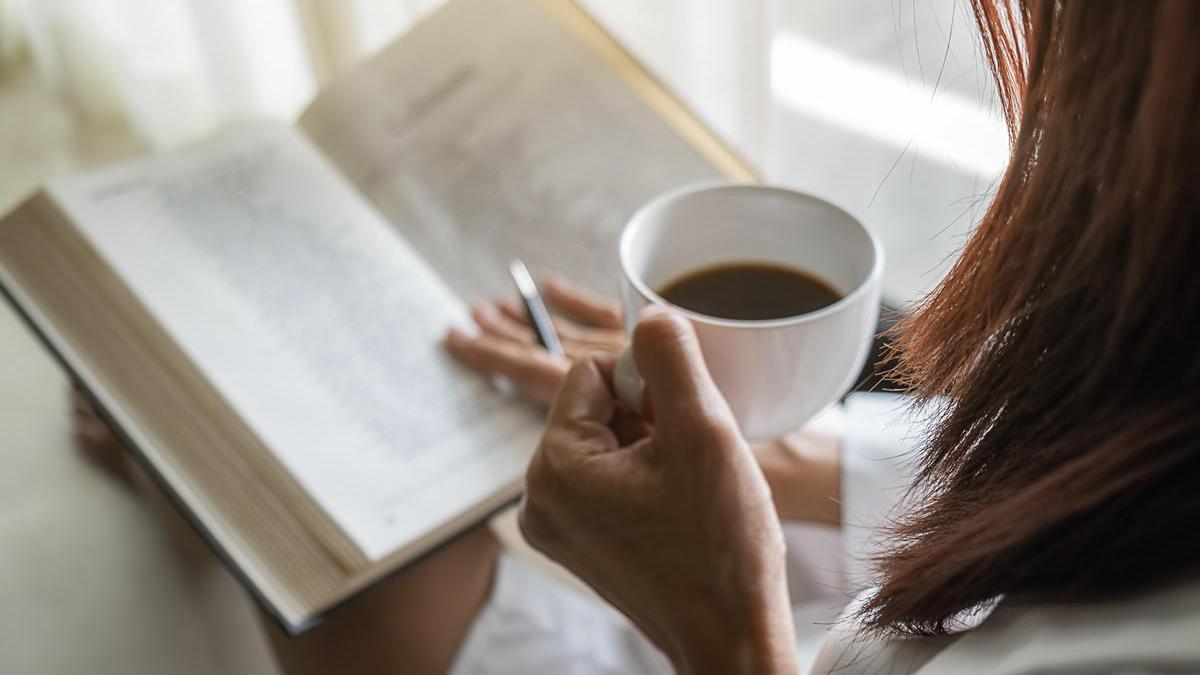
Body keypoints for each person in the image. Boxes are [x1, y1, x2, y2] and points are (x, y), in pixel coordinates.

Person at [77, 0, 1200, 673]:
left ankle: (197, 440)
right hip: (920, 554)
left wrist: (725, 621)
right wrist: (801, 470)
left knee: (335, 539)